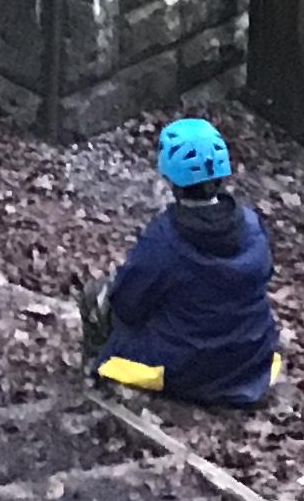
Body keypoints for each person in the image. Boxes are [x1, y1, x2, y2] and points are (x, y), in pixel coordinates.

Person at [84, 118, 282, 409]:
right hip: (253, 361)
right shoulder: (252, 225)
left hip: (188, 370)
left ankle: (96, 377)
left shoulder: (166, 239)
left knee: (95, 296)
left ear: (172, 180)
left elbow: (126, 304)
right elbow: (263, 276)